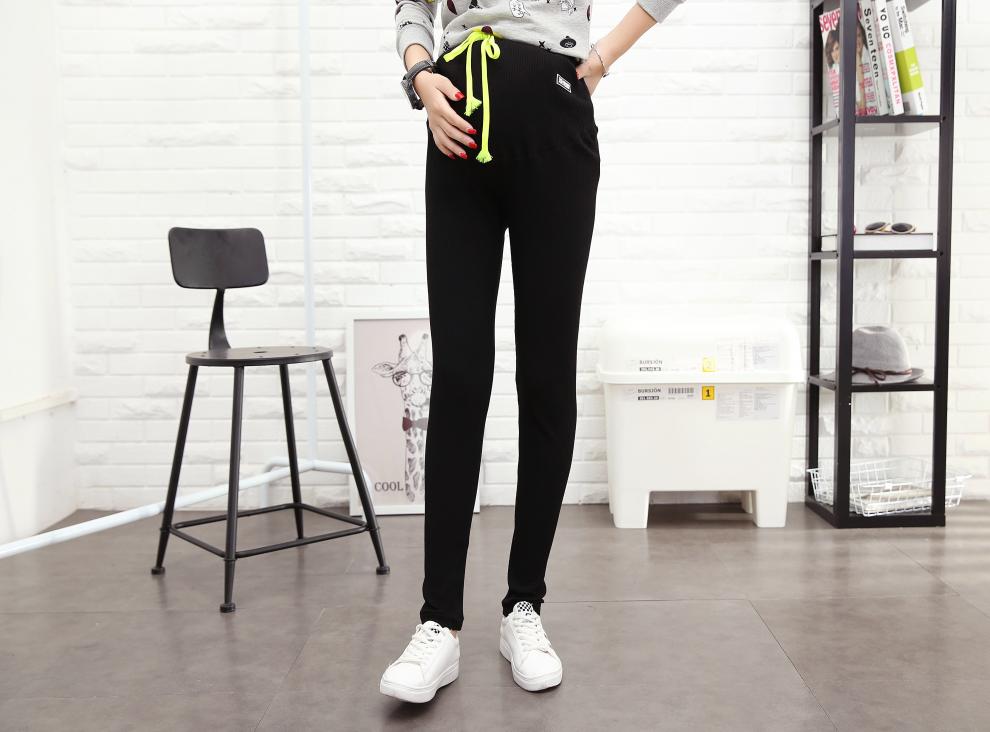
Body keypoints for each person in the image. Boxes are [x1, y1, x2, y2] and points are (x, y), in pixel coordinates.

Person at [381, 0, 687, 704]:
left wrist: (602, 58)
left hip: (557, 121)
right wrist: (421, 75)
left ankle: (524, 605)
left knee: (546, 376)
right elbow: (411, 6)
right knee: (459, 377)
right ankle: (438, 622)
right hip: (458, 121)